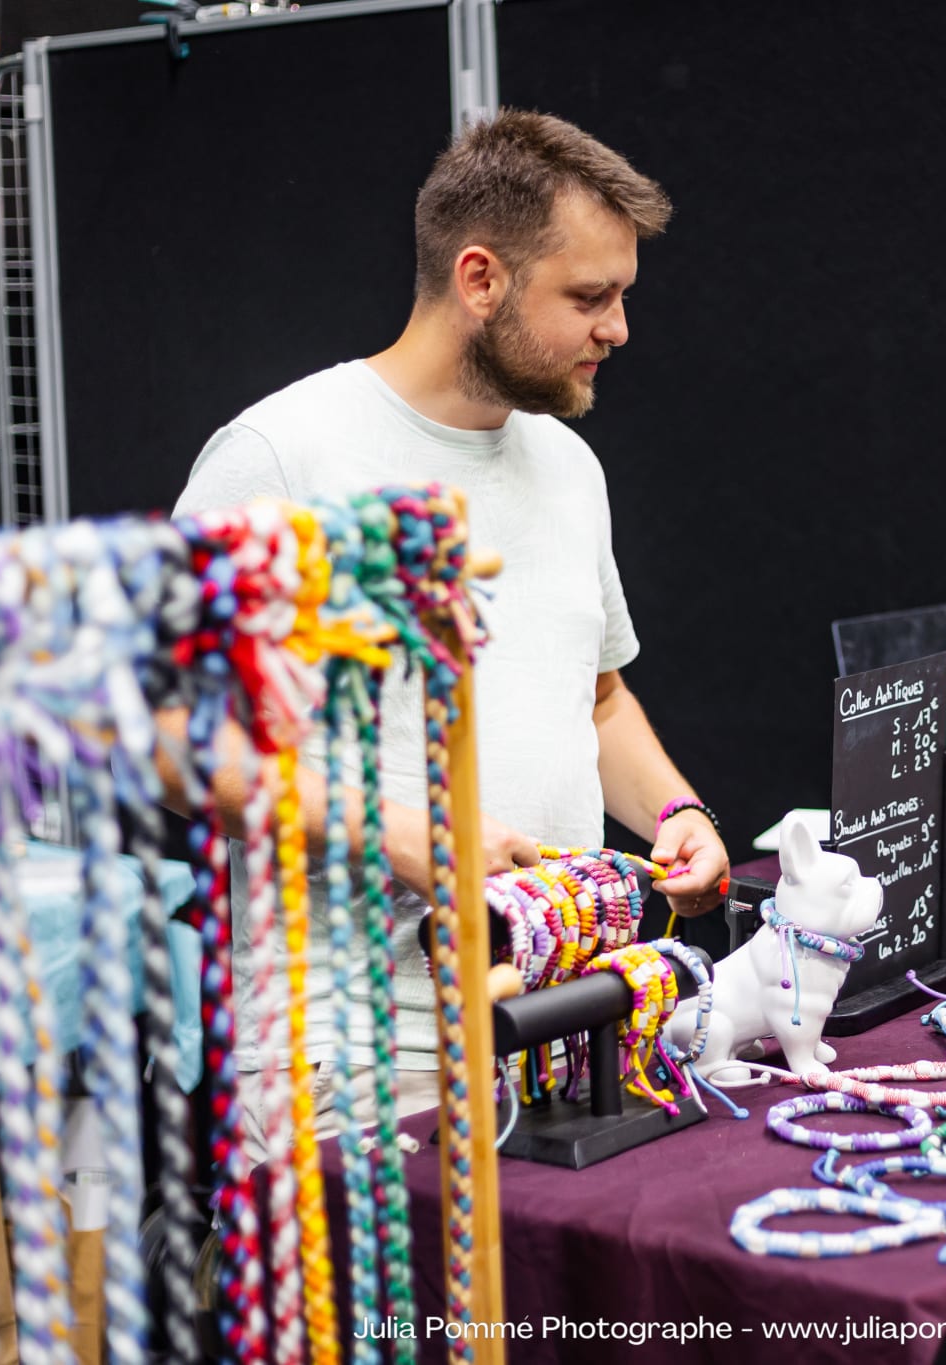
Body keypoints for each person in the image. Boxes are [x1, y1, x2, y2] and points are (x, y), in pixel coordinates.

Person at [163, 109, 729, 1155]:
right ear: (480, 280)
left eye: (621, 297)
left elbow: (594, 694)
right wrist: (394, 831)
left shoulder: (567, 464)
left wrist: (673, 810)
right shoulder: (281, 461)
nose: (618, 330)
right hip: (350, 1058)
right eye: (589, 297)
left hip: (553, 1026)